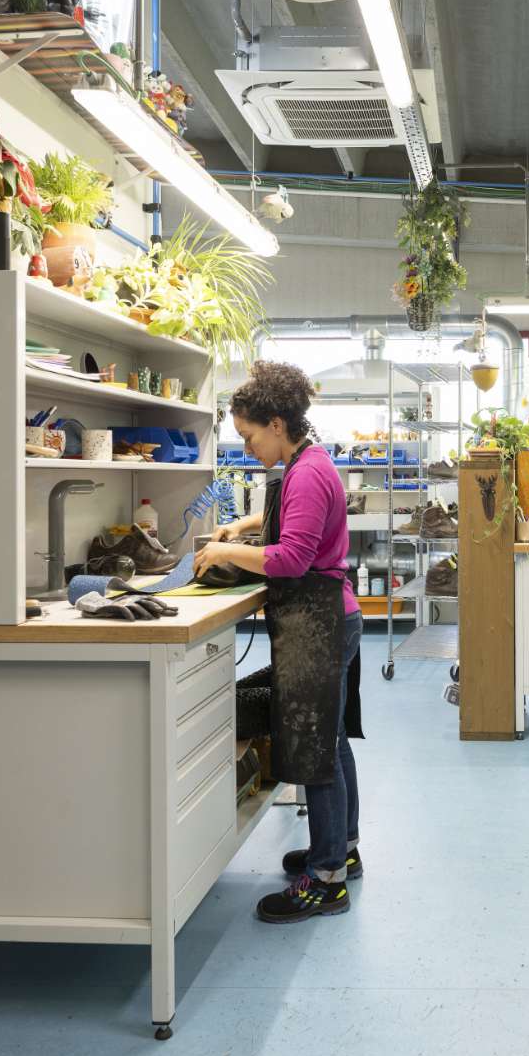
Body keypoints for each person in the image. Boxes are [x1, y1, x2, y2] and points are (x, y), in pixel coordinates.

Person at [194, 360, 364, 923]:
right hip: (326, 616)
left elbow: (291, 558)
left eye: (247, 436)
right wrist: (242, 529)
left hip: (320, 619)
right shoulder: (304, 463)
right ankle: (340, 848)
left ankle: (325, 881)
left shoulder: (309, 472)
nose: (247, 448)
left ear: (275, 422)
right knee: (332, 740)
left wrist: (221, 554)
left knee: (316, 752)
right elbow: (290, 522)